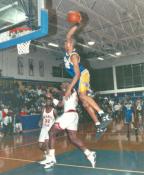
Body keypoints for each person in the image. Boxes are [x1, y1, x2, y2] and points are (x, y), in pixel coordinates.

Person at [64, 19, 111, 131]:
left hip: (82, 75)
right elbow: (68, 35)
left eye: (66, 42)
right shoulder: (67, 53)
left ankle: (104, 114)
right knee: (84, 104)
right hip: (77, 78)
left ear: (70, 44)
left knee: (82, 95)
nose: (64, 43)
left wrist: (68, 89)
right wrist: (76, 25)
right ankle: (98, 125)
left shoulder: (73, 56)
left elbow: (77, 74)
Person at [39, 82, 96, 169]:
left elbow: (63, 92)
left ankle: (51, 158)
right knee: (73, 138)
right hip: (72, 115)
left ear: (67, 85)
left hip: (69, 115)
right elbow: (60, 105)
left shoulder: (72, 90)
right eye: (61, 84)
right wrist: (52, 97)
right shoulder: (65, 95)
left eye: (63, 84)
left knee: (51, 132)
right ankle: (89, 153)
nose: (61, 85)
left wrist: (55, 91)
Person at [38, 94, 57, 163]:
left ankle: (49, 158)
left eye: (49, 101)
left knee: (47, 144)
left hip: (50, 130)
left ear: (51, 102)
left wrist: (55, 128)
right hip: (43, 128)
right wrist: (40, 121)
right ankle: (49, 156)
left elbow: (57, 119)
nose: (47, 102)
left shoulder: (54, 110)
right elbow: (41, 118)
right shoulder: (43, 109)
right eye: (46, 101)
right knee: (40, 146)